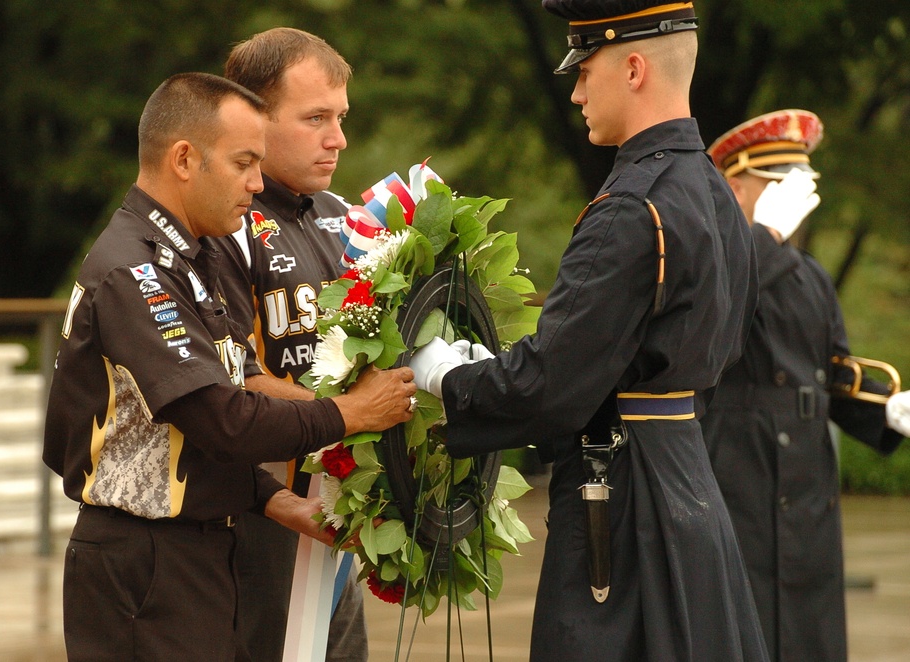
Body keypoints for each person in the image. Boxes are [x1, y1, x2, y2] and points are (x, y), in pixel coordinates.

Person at [409, 1, 771, 660]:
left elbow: (552, 385)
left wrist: (447, 375)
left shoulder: (630, 209)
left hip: (625, 502)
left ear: (634, 68)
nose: (575, 90)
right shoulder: (715, 195)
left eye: (586, 69)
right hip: (690, 482)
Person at [42, 72, 417, 662]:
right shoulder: (137, 271)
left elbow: (193, 434)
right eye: (244, 162)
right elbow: (223, 419)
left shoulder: (185, 260)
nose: (257, 183)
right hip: (144, 562)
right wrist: (350, 413)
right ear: (185, 159)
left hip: (194, 551)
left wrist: (274, 499)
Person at [702, 108, 910, 662]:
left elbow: (831, 368)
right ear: (733, 184)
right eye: (773, 184)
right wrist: (762, 235)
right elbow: (715, 321)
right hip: (741, 474)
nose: (786, 199)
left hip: (807, 487)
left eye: (794, 185)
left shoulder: (809, 274)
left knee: (809, 635)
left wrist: (886, 409)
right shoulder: (716, 264)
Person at [211, 28, 366, 662]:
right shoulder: (223, 224)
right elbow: (227, 381)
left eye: (341, 118)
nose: (338, 139)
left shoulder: (348, 219)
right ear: (254, 120)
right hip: (257, 509)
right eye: (315, 119)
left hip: (340, 500)